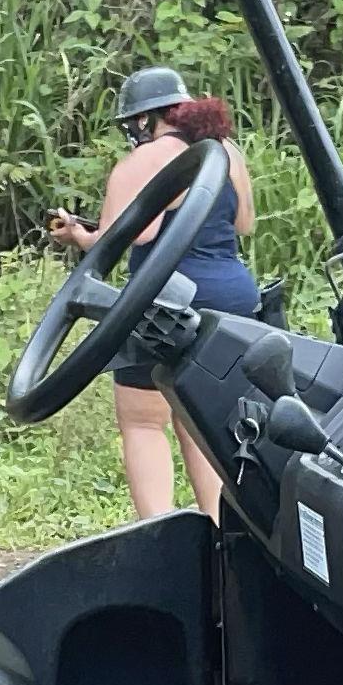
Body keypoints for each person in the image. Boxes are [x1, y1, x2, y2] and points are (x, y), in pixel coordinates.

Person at [46, 60, 260, 520]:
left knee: (144, 421)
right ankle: (220, 525)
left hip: (168, 302)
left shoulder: (143, 160)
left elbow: (125, 238)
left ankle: (159, 530)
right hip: (233, 295)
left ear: (145, 119)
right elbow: (244, 224)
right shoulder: (226, 153)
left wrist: (77, 236)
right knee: (200, 421)